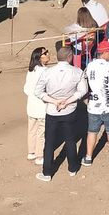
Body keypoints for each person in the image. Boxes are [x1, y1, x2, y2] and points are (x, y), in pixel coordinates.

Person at [35, 46, 88, 181]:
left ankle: (47, 172)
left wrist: (54, 101)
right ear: (70, 57)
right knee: (70, 140)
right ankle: (72, 168)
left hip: (52, 111)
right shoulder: (77, 72)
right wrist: (67, 101)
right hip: (69, 110)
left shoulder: (47, 72)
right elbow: (82, 91)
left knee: (49, 143)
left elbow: (38, 92)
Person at [82, 40, 109, 166]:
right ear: (104, 53)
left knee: (92, 131)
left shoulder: (90, 65)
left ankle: (88, 157)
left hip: (93, 105)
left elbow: (84, 79)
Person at [24, 47, 50, 165]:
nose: (48, 54)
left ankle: (31, 152)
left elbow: (26, 89)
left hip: (31, 106)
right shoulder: (45, 71)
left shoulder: (31, 70)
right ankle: (39, 156)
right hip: (41, 107)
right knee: (41, 133)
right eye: (45, 53)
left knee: (32, 130)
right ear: (39, 58)